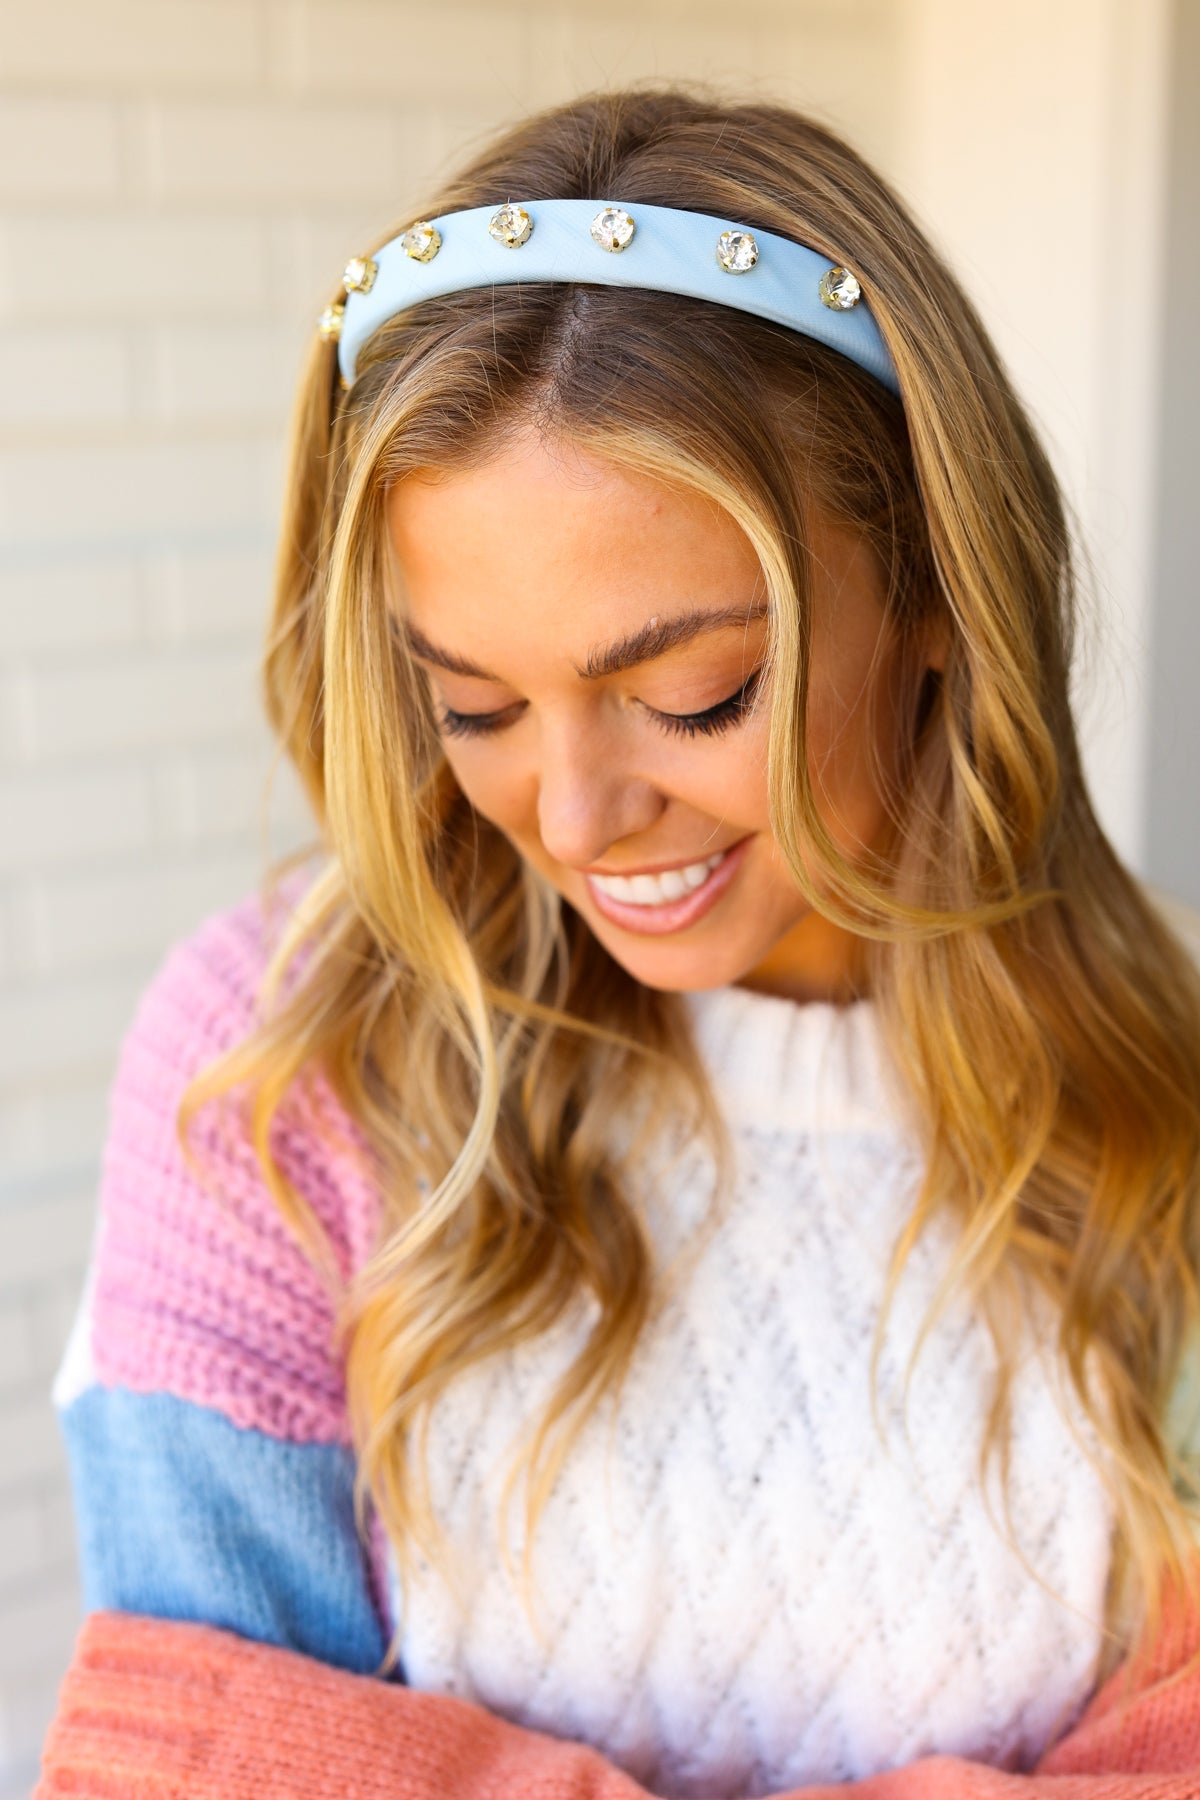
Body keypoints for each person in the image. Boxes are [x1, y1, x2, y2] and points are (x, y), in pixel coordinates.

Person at [36, 86, 1200, 1800]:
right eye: (476, 705)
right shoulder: (276, 1062)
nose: (574, 819)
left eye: (692, 694)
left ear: (941, 594)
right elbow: (201, 1760)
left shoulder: (1158, 1089)